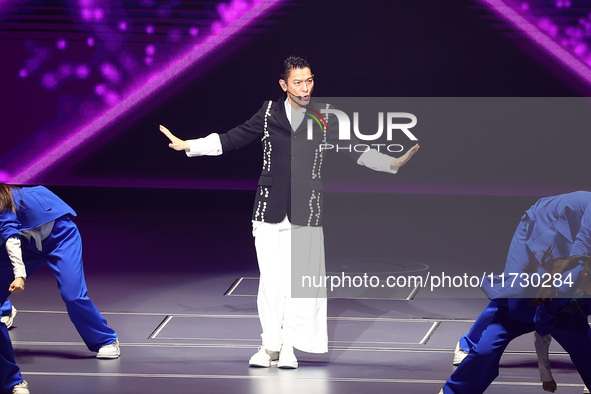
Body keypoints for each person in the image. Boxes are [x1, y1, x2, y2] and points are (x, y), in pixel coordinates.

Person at [160, 55, 419, 369]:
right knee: (272, 282)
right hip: (269, 209)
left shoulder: (325, 118)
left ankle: (290, 347)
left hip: (306, 211)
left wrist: (390, 163)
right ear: (284, 85)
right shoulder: (268, 113)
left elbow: (354, 150)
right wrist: (190, 145)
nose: (305, 87)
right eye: (298, 81)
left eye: (309, 80)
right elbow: (232, 138)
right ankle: (270, 345)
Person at [443, 191, 591, 393]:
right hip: (539, 227)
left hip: (572, 250)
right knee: (516, 296)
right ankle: (468, 345)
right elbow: (581, 247)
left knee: (570, 317)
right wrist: (565, 287)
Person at [0, 184, 120, 394]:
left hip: (60, 238)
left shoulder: (9, 201)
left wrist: (19, 275)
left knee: (72, 295)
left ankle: (106, 339)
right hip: (28, 245)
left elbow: (11, 238)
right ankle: (5, 309)